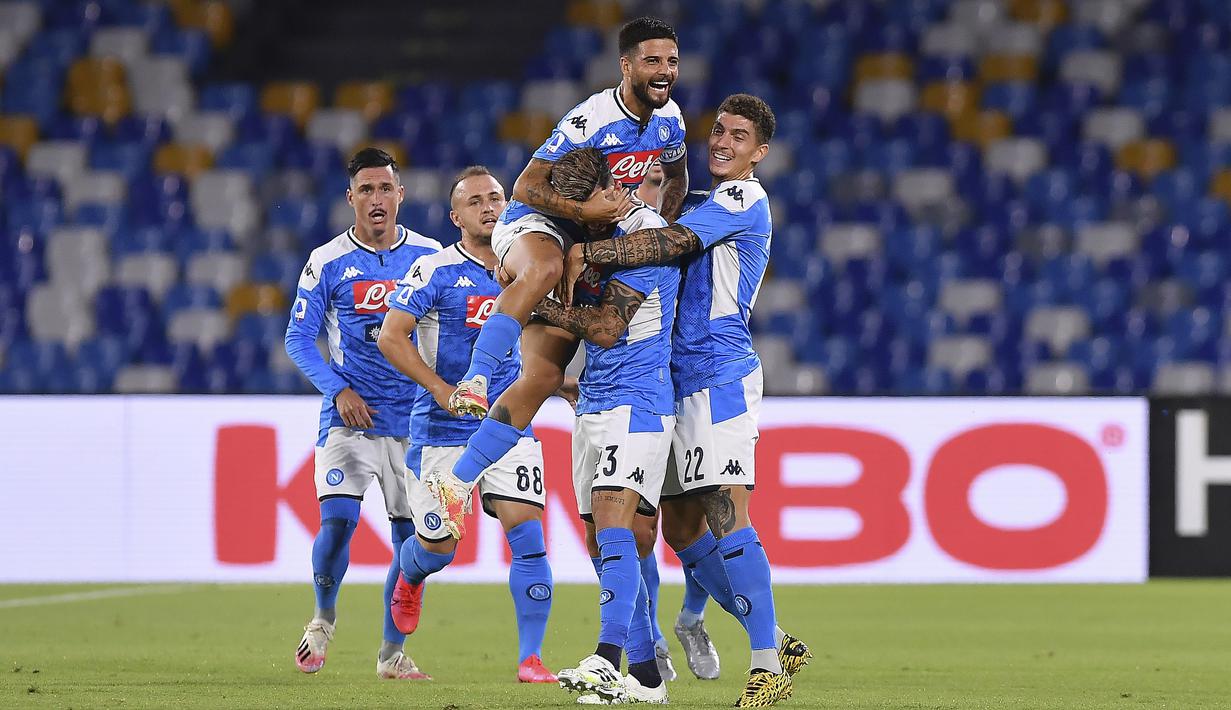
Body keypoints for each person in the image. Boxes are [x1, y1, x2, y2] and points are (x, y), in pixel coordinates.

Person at [560, 95, 812, 708]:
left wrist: (589, 250)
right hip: (670, 382)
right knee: (677, 527)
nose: (722, 142)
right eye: (719, 130)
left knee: (728, 514)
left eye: (739, 136)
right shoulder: (701, 201)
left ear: (760, 152)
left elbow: (670, 243)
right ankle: (772, 635)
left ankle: (766, 666)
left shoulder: (742, 199)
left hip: (718, 377)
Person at [423, 17, 690, 539]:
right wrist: (584, 212)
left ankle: (457, 480)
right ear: (627, 65)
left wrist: (654, 230)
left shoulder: (671, 121)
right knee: (544, 269)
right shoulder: (592, 119)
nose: (664, 71)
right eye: (652, 61)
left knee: (544, 377)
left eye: (672, 61)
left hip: (588, 239)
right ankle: (477, 378)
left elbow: (677, 177)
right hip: (538, 224)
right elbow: (525, 186)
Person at [376, 166, 557, 684]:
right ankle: (411, 575)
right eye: (475, 201)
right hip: (440, 431)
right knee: (439, 548)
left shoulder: (530, 266)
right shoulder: (434, 270)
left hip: (508, 425)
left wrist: (557, 384)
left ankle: (530, 659)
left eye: (496, 197)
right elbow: (391, 336)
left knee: (528, 535)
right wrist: (440, 389)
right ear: (456, 217)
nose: (489, 207)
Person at [284, 147, 441, 680]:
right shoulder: (327, 260)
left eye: (385, 188)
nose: (377, 198)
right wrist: (338, 391)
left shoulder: (429, 257)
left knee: (409, 543)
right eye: (367, 189)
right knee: (337, 522)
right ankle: (323, 619)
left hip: (414, 422)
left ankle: (392, 654)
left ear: (401, 194)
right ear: (350, 197)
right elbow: (298, 338)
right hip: (349, 421)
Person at [530, 148, 679, 704]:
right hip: (595, 400)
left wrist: (533, 303)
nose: (576, 215)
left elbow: (607, 328)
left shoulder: (645, 238)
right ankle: (645, 676)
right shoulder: (588, 235)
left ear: (612, 189)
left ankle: (605, 658)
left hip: (639, 402)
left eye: (582, 203)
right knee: (601, 537)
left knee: (615, 517)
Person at [632, 160, 718, 682]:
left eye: (659, 181)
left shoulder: (703, 223)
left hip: (697, 389)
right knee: (639, 527)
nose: (649, 192)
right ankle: (652, 638)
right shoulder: (617, 232)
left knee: (702, 524)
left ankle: (691, 618)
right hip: (640, 394)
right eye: (642, 181)